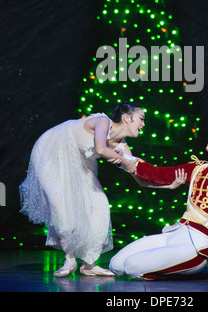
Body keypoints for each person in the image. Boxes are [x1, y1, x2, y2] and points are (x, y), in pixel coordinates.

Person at [109, 110, 208, 280]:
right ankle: (182, 270)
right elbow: (157, 173)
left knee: (132, 267)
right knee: (116, 265)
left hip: (199, 244)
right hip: (178, 233)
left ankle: (191, 270)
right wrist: (123, 159)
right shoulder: (198, 168)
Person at [19, 101, 147, 277]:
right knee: (62, 205)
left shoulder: (122, 145)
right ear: (126, 118)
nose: (143, 124)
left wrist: (166, 183)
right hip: (51, 152)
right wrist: (126, 161)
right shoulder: (103, 121)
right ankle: (69, 259)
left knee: (99, 205)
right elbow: (101, 149)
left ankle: (89, 264)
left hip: (78, 160)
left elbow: (136, 173)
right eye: (141, 119)